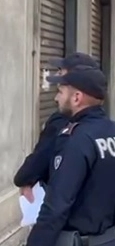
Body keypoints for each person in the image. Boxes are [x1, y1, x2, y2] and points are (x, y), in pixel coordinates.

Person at [17, 65, 115, 246]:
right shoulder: (111, 132)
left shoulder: (77, 140)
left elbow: (57, 204)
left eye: (60, 91)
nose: (57, 97)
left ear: (77, 97)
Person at [13, 52, 99, 202]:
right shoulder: (101, 125)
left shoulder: (63, 121)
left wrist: (24, 178)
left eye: (62, 70)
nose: (58, 74)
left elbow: (42, 157)